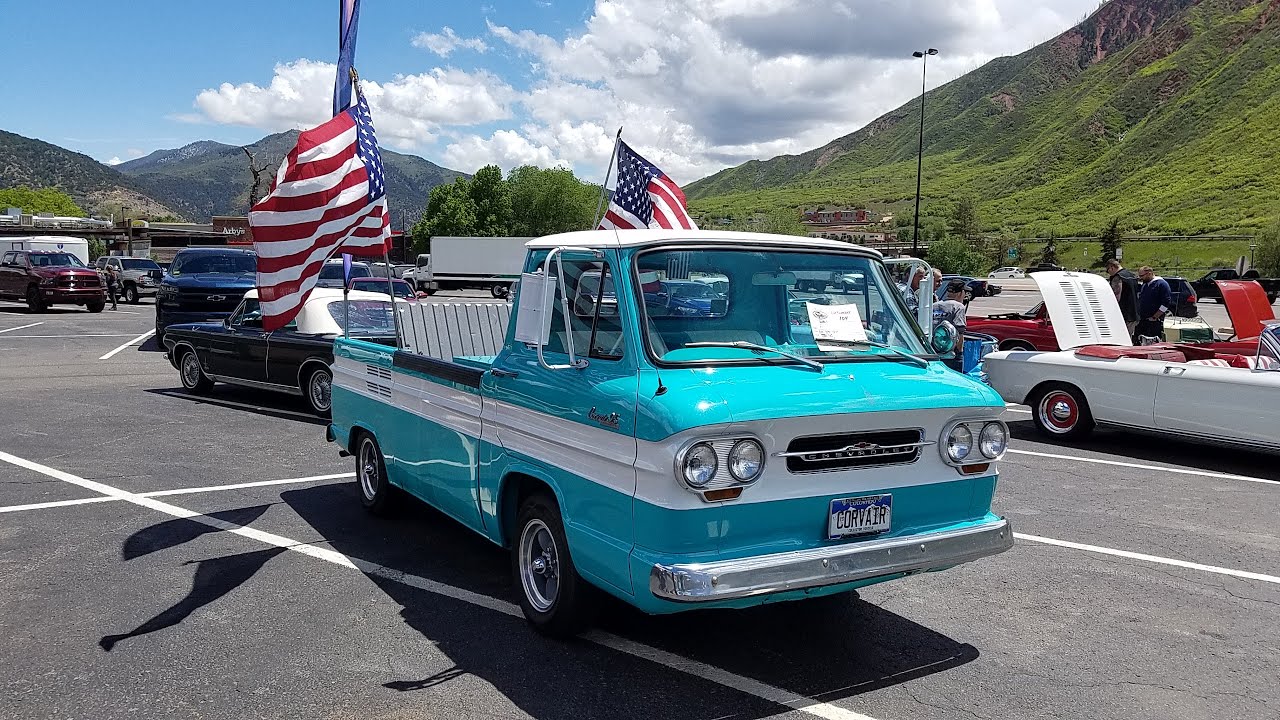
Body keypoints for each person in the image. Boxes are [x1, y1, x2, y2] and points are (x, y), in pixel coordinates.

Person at [933, 279, 968, 371]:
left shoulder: (934, 306)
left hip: (933, 352)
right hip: (951, 355)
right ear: (961, 293)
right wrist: (959, 354)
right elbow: (960, 332)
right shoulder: (958, 307)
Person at [1106, 258, 1140, 338]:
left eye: (1108, 271)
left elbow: (1116, 297)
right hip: (1134, 313)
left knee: (1120, 339)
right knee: (1129, 338)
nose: (1108, 273)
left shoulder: (1118, 278)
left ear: (1112, 267)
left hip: (1123, 314)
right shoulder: (1132, 276)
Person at [1135, 265, 1171, 342]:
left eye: (1142, 276)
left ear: (1149, 273)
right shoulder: (1145, 284)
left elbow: (1166, 302)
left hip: (1154, 321)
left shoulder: (1161, 284)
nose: (1140, 278)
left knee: (1152, 341)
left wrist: (1155, 317)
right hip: (1142, 319)